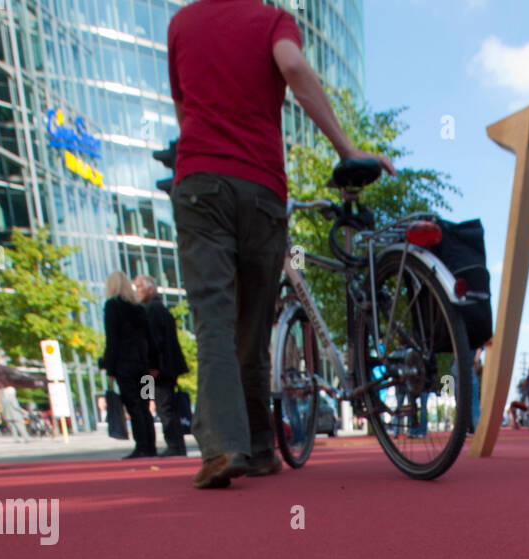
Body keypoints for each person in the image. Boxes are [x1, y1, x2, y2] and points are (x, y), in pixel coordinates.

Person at [167, 0, 394, 489]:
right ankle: (262, 447)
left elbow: (185, 109)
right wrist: (346, 148)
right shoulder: (271, 20)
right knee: (252, 324)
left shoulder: (181, 25)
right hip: (261, 187)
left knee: (215, 321)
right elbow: (292, 65)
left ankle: (226, 446)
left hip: (201, 182)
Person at [99, 270, 157, 458]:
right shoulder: (139, 308)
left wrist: (109, 366)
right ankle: (150, 446)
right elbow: (150, 338)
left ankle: (142, 445)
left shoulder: (113, 307)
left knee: (133, 404)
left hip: (126, 365)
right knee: (144, 403)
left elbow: (112, 339)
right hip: (144, 365)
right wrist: (154, 363)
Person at [134, 275, 189, 456]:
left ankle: (173, 445)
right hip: (161, 369)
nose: (137, 291)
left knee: (162, 407)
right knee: (161, 406)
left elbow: (154, 341)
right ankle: (174, 445)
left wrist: (153, 365)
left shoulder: (152, 310)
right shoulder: (159, 310)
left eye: (140, 287)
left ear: (151, 289)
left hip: (157, 371)